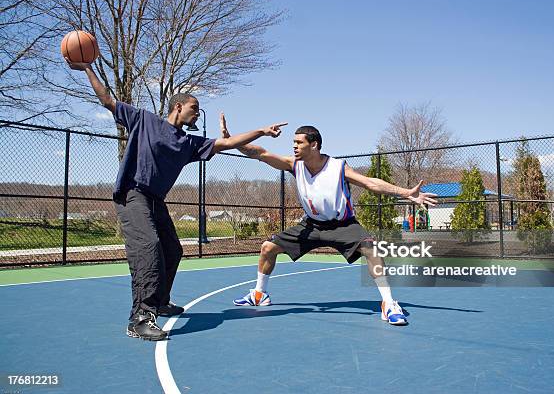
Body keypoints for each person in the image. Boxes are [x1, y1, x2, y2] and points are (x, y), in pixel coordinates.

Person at [67, 61, 287, 340]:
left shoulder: (188, 143)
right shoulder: (144, 120)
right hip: (132, 193)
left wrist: (262, 130)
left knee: (173, 250)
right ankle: (140, 317)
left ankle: (159, 301)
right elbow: (108, 100)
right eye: (194, 108)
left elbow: (227, 143)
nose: (197, 113)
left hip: (155, 199)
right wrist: (87, 67)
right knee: (149, 246)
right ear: (178, 107)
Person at [221, 118, 437, 325]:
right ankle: (259, 294)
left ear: (313, 145)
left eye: (298, 143)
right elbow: (260, 153)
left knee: (371, 250)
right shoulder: (294, 165)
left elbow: (371, 183)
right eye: (293, 143)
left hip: (343, 225)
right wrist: (233, 141)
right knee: (268, 248)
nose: (294, 146)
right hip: (311, 225)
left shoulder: (338, 168)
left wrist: (406, 193)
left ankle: (389, 304)